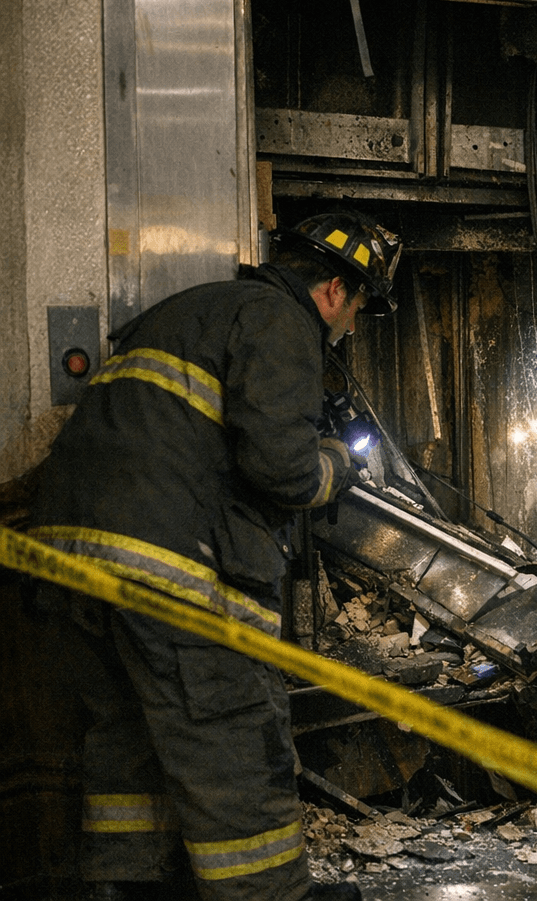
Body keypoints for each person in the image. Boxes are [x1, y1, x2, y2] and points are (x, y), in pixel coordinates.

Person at [28, 212, 400, 901]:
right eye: (358, 310)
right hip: (169, 576)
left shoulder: (190, 313)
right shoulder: (280, 322)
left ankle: (127, 888)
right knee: (234, 740)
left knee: (129, 744)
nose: (351, 327)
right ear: (332, 292)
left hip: (70, 570)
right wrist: (336, 465)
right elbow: (282, 471)